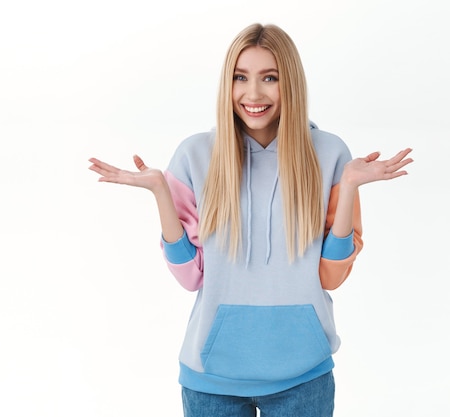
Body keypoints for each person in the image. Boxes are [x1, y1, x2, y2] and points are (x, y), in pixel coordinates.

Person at [88, 23, 413, 417]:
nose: (253, 93)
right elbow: (190, 277)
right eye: (241, 77)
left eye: (269, 78)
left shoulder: (330, 154)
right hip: (211, 381)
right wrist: (160, 191)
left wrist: (348, 188)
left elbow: (332, 276)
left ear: (289, 82)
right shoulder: (195, 155)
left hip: (303, 378)